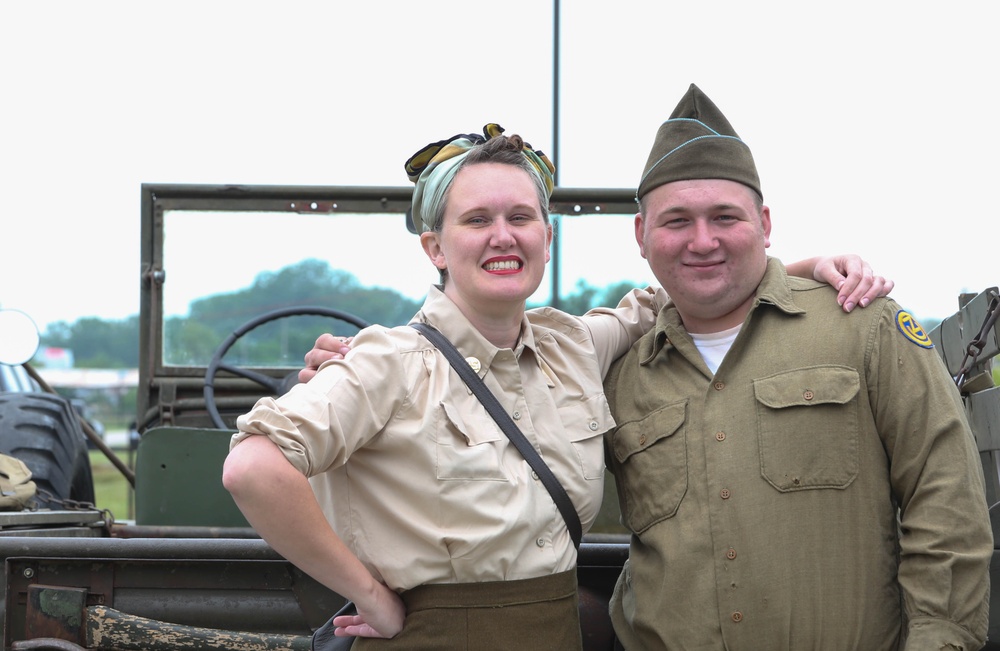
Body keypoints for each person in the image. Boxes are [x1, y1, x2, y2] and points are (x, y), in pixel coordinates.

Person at [225, 123, 890, 650]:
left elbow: (678, 290)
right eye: (477, 219)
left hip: (551, 631)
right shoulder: (387, 361)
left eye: (521, 216)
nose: (503, 235)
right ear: (435, 246)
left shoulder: (572, 344)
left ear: (547, 234)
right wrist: (369, 594)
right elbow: (254, 467)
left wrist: (801, 267)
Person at [602, 84, 992, 650]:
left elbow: (946, 497)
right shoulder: (622, 375)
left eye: (724, 216)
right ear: (641, 235)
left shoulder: (865, 327)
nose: (702, 240)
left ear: (764, 222)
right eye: (677, 221)